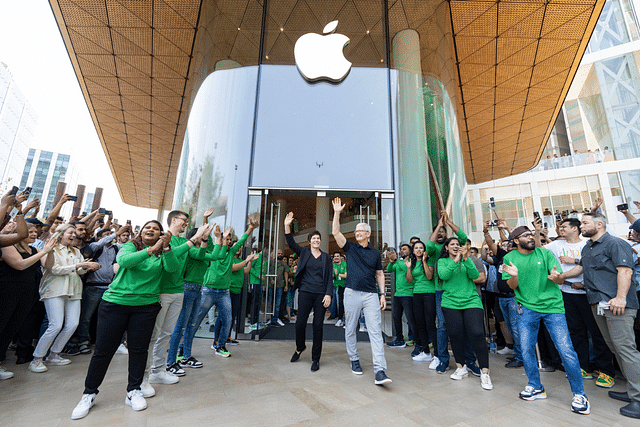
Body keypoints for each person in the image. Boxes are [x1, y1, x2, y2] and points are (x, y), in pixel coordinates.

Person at [70, 220, 207, 419]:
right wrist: (152, 250)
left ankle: (133, 390)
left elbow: (171, 268)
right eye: (147, 227)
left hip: (146, 307)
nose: (150, 230)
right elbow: (125, 262)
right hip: (115, 304)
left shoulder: (165, 252)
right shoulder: (129, 247)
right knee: (102, 351)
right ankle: (89, 394)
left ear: (162, 234)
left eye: (155, 228)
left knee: (139, 350)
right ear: (140, 233)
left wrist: (166, 248)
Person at [502, 225, 590, 415]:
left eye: (531, 234)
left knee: (566, 349)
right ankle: (535, 386)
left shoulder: (545, 254)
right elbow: (511, 286)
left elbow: (558, 280)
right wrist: (515, 276)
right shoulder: (509, 259)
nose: (531, 237)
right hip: (526, 308)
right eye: (525, 236)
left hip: (553, 308)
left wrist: (558, 277)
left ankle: (579, 394)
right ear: (516, 241)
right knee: (526, 349)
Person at [561, 212, 640, 419]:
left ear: (599, 224)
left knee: (626, 349)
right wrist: (560, 276)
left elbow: (625, 271)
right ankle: (633, 391)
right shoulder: (588, 247)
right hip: (599, 305)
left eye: (585, 222)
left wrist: (621, 297)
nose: (581, 226)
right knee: (615, 347)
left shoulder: (615, 243)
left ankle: (639, 398)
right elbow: (583, 269)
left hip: (618, 305)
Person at [540, 217, 615, 386]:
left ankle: (605, 370)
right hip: (567, 294)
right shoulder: (556, 245)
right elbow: (539, 248)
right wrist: (538, 233)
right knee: (576, 331)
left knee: (597, 332)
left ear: (575, 229)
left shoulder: (587, 245)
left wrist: (577, 282)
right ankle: (583, 367)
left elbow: (587, 267)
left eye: (564, 226)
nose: (561, 229)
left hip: (587, 294)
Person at [331, 198, 391, 385]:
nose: (356, 233)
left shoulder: (374, 253)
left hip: (371, 295)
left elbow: (380, 274)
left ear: (368, 234)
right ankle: (354, 359)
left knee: (374, 331)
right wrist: (337, 213)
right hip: (351, 293)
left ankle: (380, 370)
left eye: (360, 231)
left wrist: (382, 294)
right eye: (355, 231)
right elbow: (335, 232)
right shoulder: (350, 248)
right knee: (350, 328)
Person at [30, 224, 101, 374]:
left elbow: (79, 271)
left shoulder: (75, 250)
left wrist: (87, 267)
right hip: (55, 290)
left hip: (74, 290)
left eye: (74, 233)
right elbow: (54, 270)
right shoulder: (50, 249)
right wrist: (78, 265)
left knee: (73, 324)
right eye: (70, 233)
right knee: (55, 325)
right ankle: (36, 359)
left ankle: (54, 355)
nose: (74, 235)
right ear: (61, 234)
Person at [189, 215, 257, 358]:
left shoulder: (231, 253)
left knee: (228, 320)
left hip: (224, 293)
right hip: (209, 290)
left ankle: (220, 346)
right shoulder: (212, 249)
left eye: (229, 238)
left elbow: (243, 240)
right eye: (225, 238)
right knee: (197, 320)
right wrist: (206, 218)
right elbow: (206, 234)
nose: (227, 240)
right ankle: (184, 348)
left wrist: (251, 227)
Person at [0, 221, 55, 379]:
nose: (33, 234)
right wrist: (43, 252)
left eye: (34, 232)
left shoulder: (35, 249)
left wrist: (49, 252)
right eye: (30, 232)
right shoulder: (7, 246)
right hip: (7, 291)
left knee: (11, 328)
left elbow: (49, 266)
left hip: (27, 292)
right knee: (1, 325)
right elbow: (20, 265)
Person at [437, 237, 492, 390]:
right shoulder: (442, 262)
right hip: (450, 302)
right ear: (447, 248)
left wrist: (466, 258)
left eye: (458, 244)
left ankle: (485, 372)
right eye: (452, 244)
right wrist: (455, 260)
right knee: (455, 335)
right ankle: (461, 367)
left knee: (476, 333)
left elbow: (475, 276)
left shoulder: (468, 260)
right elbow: (443, 276)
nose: (456, 246)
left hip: (471, 301)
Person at [284, 212, 332, 372]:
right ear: (309, 241)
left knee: (318, 326)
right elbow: (290, 243)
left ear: (320, 241)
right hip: (305, 292)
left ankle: (315, 359)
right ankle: (300, 347)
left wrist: (328, 294)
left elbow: (329, 279)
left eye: (318, 238)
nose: (316, 240)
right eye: (314, 238)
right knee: (299, 324)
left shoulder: (326, 258)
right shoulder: (304, 253)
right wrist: (287, 225)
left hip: (320, 294)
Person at [406, 241, 437, 364]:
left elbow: (429, 276)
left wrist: (424, 261)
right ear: (413, 251)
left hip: (429, 293)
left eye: (421, 248)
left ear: (424, 250)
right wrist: (408, 268)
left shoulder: (429, 260)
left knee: (430, 324)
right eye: (416, 248)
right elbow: (409, 280)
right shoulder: (412, 263)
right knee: (420, 324)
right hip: (416, 294)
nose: (418, 250)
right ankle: (426, 352)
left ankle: (438, 354)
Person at [386, 244, 414, 349]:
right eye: (401, 249)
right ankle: (399, 339)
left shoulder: (411, 261)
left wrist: (396, 260)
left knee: (410, 319)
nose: (402, 251)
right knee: (396, 317)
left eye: (404, 249)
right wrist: (391, 261)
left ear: (410, 251)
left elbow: (405, 268)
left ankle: (418, 340)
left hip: (408, 294)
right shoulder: (399, 262)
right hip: (398, 294)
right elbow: (389, 269)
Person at [333, 251, 347, 327]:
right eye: (335, 256)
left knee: (347, 304)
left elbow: (346, 275)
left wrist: (338, 274)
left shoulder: (344, 264)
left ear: (340, 257)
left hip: (346, 286)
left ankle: (347, 320)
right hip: (338, 287)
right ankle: (340, 319)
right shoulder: (333, 265)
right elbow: (332, 276)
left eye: (337, 256)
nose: (336, 258)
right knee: (340, 304)